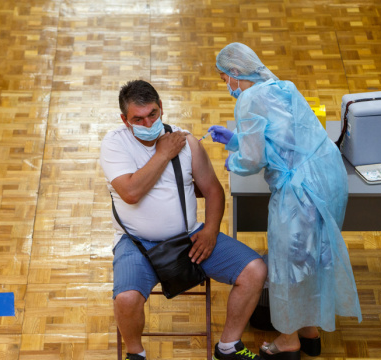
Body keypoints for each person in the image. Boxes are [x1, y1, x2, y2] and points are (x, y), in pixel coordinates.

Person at [208, 43, 362, 360]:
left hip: (300, 190)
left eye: (225, 79)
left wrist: (233, 158)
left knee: (288, 260)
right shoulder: (283, 87)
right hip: (329, 177)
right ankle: (310, 331)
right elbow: (285, 138)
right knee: (315, 254)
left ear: (235, 72)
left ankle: (288, 340)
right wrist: (235, 138)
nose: (227, 87)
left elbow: (253, 159)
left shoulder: (249, 98)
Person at [100, 79, 268, 360]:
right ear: (124, 120)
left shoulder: (187, 141)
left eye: (152, 114)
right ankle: (135, 354)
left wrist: (211, 230)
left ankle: (228, 346)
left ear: (162, 108)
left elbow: (214, 191)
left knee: (255, 271)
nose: (147, 122)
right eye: (138, 119)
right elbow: (130, 192)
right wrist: (163, 153)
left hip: (190, 239)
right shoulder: (114, 144)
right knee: (126, 299)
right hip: (136, 243)